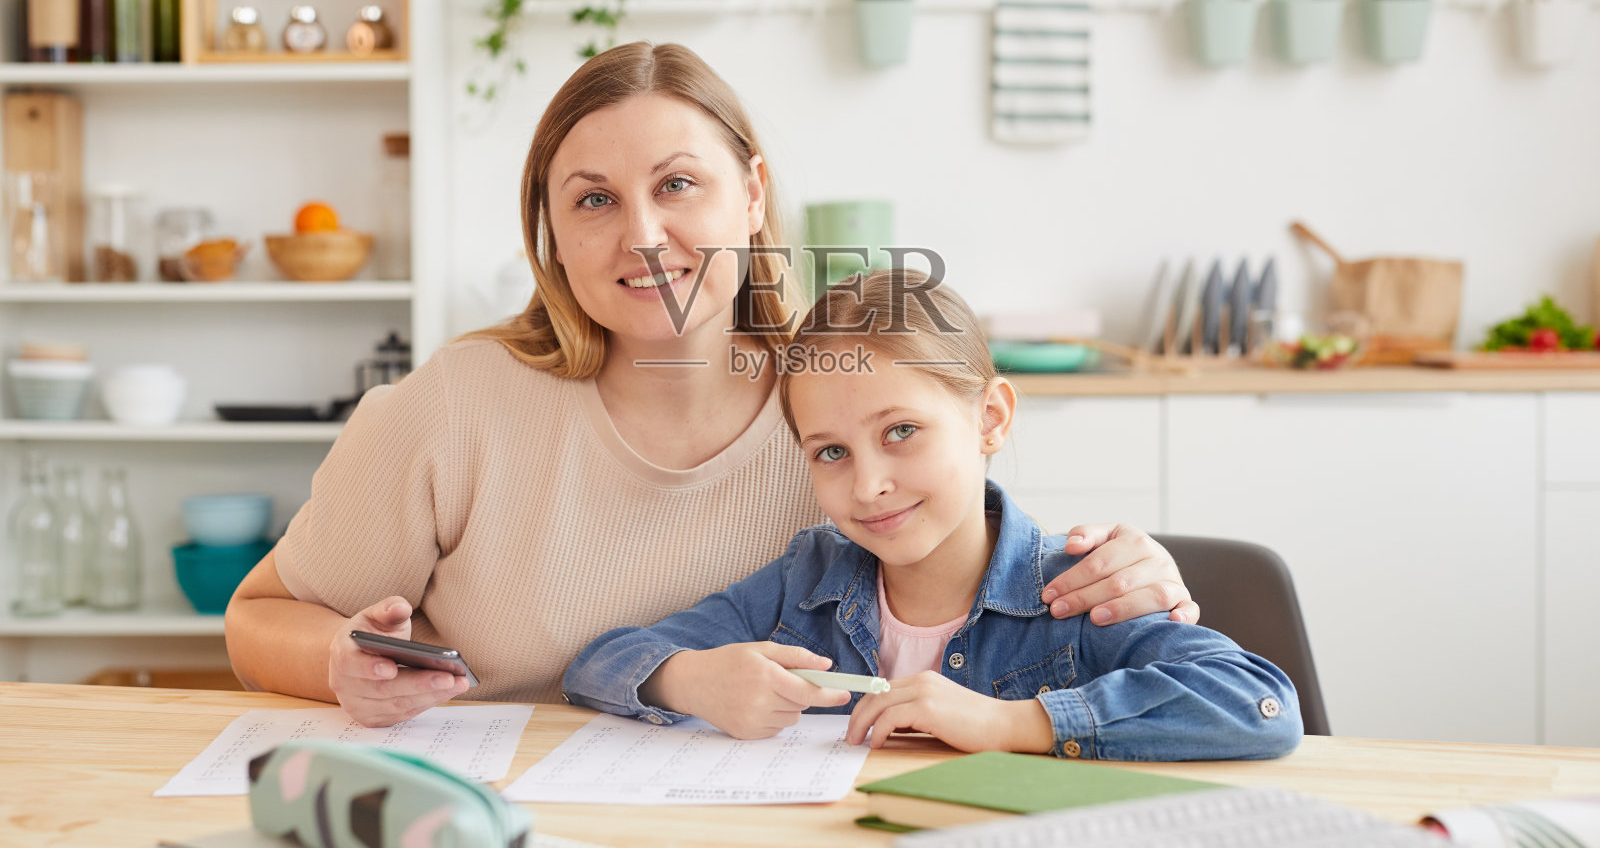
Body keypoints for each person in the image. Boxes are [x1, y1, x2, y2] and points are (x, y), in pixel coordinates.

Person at [225, 42, 1198, 729]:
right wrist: (340, 663)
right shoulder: (456, 404)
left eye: (677, 184)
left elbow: (985, 576)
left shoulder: (840, 404)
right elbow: (257, 617)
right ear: (552, 236)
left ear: (753, 193)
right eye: (594, 199)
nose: (643, 235)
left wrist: (1129, 575)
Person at [563, 271, 1301, 760]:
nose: (869, 485)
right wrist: (688, 680)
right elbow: (598, 663)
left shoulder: (1075, 592)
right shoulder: (804, 580)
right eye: (831, 452)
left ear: (989, 419)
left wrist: (1014, 723)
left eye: (901, 432)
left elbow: (1258, 704)